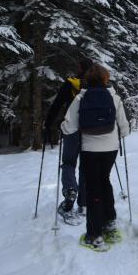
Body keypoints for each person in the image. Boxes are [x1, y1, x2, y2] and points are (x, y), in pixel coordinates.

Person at [61, 64, 129, 250]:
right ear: (106, 78)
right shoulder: (114, 98)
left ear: (87, 79)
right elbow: (125, 128)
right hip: (110, 149)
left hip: (89, 149)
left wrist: (61, 130)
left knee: (93, 188)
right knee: (105, 181)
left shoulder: (81, 97)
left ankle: (94, 235)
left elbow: (69, 127)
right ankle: (110, 225)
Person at [44, 57, 94, 219]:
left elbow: (57, 105)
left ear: (79, 67)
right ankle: (84, 203)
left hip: (71, 130)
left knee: (69, 162)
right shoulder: (97, 85)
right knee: (86, 165)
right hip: (90, 132)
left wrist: (48, 124)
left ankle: (70, 190)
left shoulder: (70, 84)